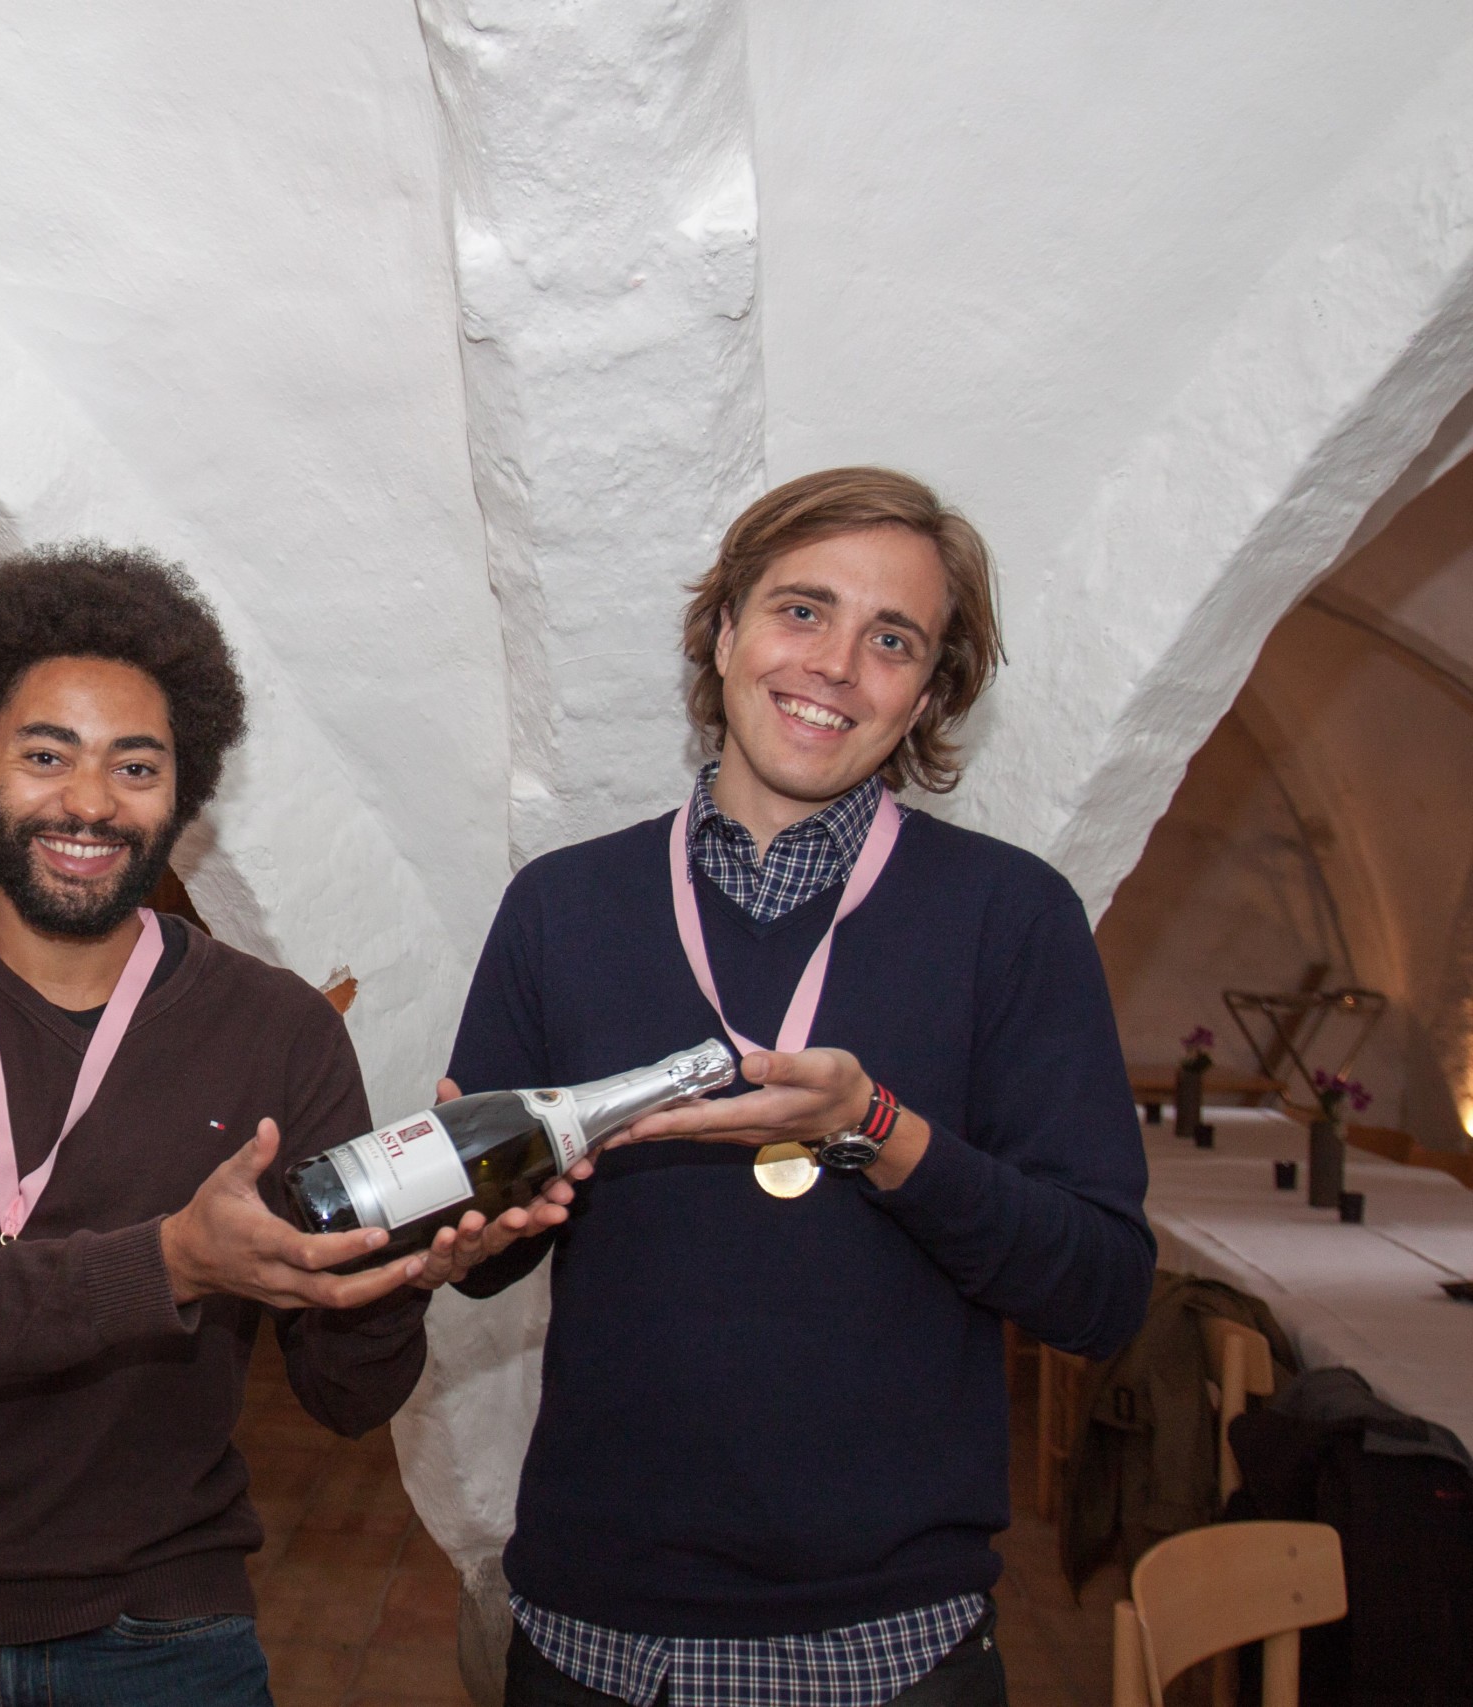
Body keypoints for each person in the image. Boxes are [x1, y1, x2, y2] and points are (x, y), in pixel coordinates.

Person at [0, 544, 538, 1706]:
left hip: (165, 1633)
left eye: (136, 765)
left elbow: (345, 1399)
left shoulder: (278, 1029)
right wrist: (168, 1262)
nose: (89, 802)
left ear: (183, 792)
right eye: (46, 756)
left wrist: (399, 1276)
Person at [449, 468, 1155, 1707]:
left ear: (927, 694)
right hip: (593, 1631)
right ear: (725, 632)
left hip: (890, 1646)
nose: (834, 663)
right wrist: (478, 1221)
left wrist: (874, 1131)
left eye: (892, 640)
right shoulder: (562, 907)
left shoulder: (1011, 919)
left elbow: (1099, 1294)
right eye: (801, 611)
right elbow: (484, 1259)